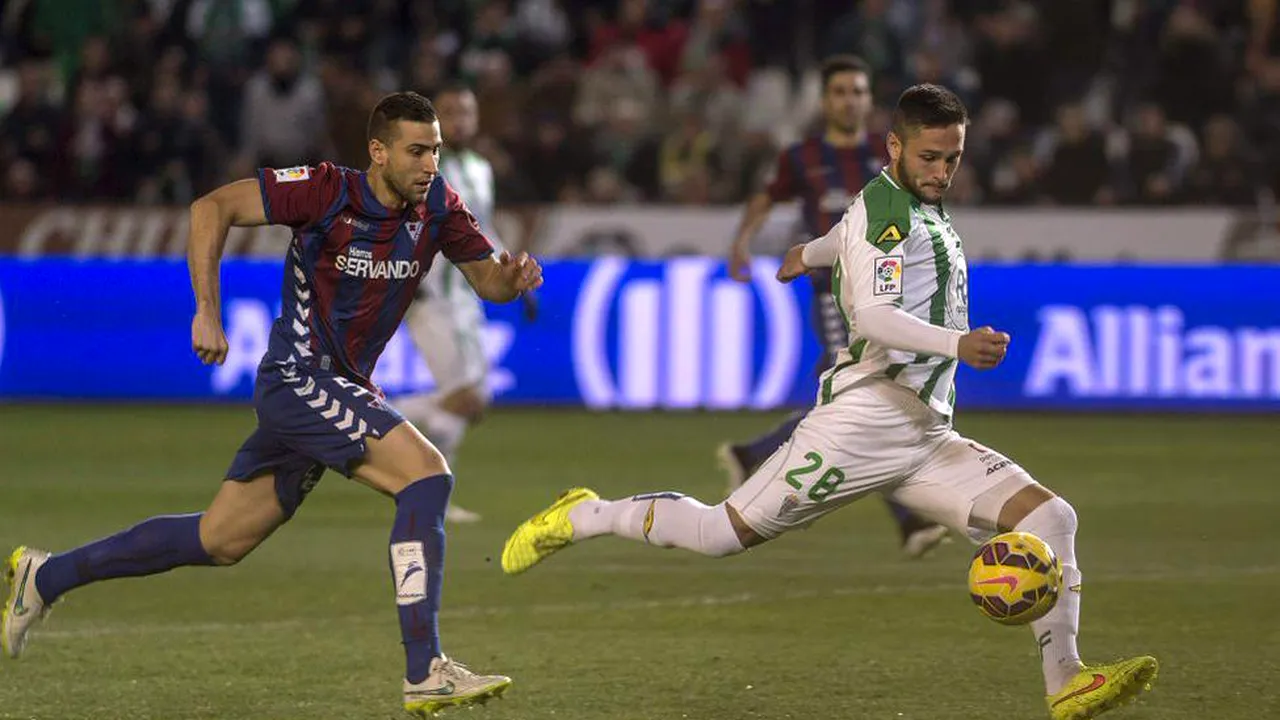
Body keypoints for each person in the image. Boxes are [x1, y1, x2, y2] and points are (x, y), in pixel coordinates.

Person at [501, 84, 1158, 720]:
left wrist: (808, 253)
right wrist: (957, 343)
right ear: (894, 148)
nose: (942, 170)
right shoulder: (890, 210)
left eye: (952, 157)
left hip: (925, 434)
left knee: (1050, 519)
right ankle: (586, 515)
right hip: (863, 422)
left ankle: (1066, 682)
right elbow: (872, 317)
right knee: (719, 534)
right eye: (929, 157)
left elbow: (847, 236)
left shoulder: (895, 204)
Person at [2, 91, 541, 717]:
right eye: (416, 151)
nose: (429, 164)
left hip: (342, 386)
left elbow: (488, 283)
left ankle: (44, 577)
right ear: (378, 151)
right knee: (425, 479)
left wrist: (514, 278)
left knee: (221, 538)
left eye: (436, 151)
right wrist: (207, 309)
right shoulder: (322, 189)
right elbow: (212, 208)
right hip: (298, 377)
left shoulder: (440, 205)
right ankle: (426, 670)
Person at [723, 54, 947, 557]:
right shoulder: (802, 157)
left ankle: (755, 454)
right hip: (834, 295)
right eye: (841, 91)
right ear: (825, 101)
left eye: (859, 91)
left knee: (857, 401)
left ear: (870, 100)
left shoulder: (885, 153)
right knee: (872, 397)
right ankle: (910, 518)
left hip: (887, 293)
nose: (850, 100)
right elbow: (765, 199)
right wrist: (741, 243)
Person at [398, 83, 521, 525]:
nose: (459, 121)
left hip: (468, 299)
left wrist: (512, 274)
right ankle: (434, 498)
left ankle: (360, 415)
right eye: (449, 112)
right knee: (463, 398)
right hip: (430, 296)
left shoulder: (480, 168)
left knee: (475, 400)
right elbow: (397, 227)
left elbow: (481, 229)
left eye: (466, 112)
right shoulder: (416, 169)